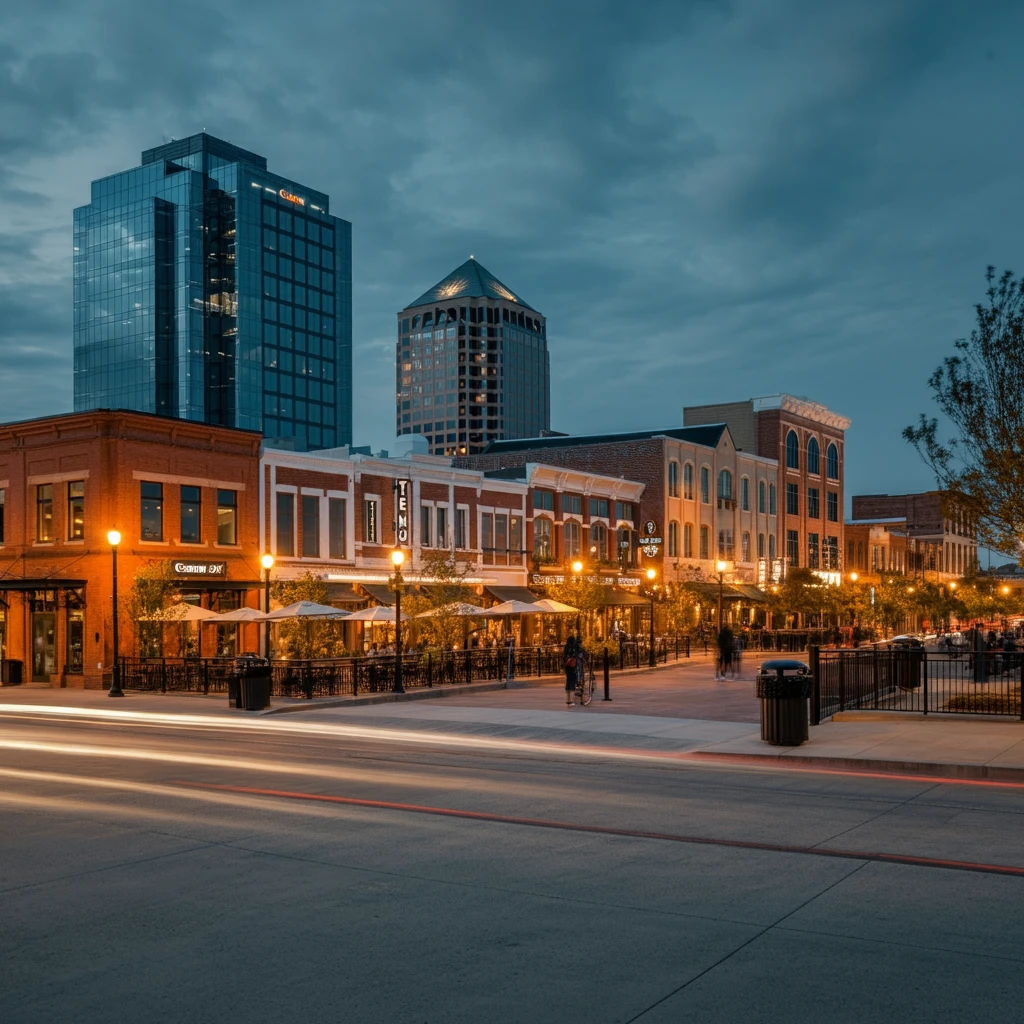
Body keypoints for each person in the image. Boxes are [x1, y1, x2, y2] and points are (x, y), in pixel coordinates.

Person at [563, 634, 580, 706]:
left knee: (568, 681)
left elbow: (564, 656)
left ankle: (568, 699)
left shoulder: (566, 647)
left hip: (567, 666)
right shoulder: (574, 648)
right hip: (573, 666)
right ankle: (571, 700)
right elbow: (577, 654)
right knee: (573, 682)